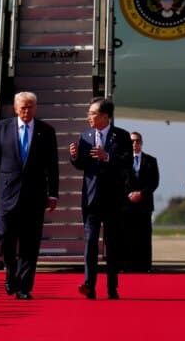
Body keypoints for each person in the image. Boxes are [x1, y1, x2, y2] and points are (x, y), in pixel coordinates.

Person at [0, 91, 59, 300]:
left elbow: (52, 166)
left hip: (34, 196)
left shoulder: (46, 131)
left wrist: (53, 193)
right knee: (6, 237)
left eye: (31, 107)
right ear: (16, 108)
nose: (27, 111)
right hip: (7, 193)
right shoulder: (2, 128)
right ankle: (11, 270)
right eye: (23, 107)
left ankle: (24, 287)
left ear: (36, 108)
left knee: (30, 243)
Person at [69, 98, 133, 300]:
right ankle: (89, 284)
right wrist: (74, 156)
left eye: (93, 113)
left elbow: (128, 163)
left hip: (113, 199)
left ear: (105, 116)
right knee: (90, 241)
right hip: (91, 199)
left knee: (112, 244)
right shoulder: (86, 136)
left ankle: (112, 287)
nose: (89, 117)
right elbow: (82, 165)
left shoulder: (121, 136)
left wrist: (108, 157)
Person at [122, 130, 159, 273]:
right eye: (132, 141)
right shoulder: (122, 160)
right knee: (127, 236)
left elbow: (154, 182)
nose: (135, 143)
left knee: (144, 236)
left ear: (141, 143)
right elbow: (118, 181)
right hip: (126, 205)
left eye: (137, 141)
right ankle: (127, 265)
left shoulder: (151, 160)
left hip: (144, 205)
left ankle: (145, 266)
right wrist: (129, 195)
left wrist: (141, 194)